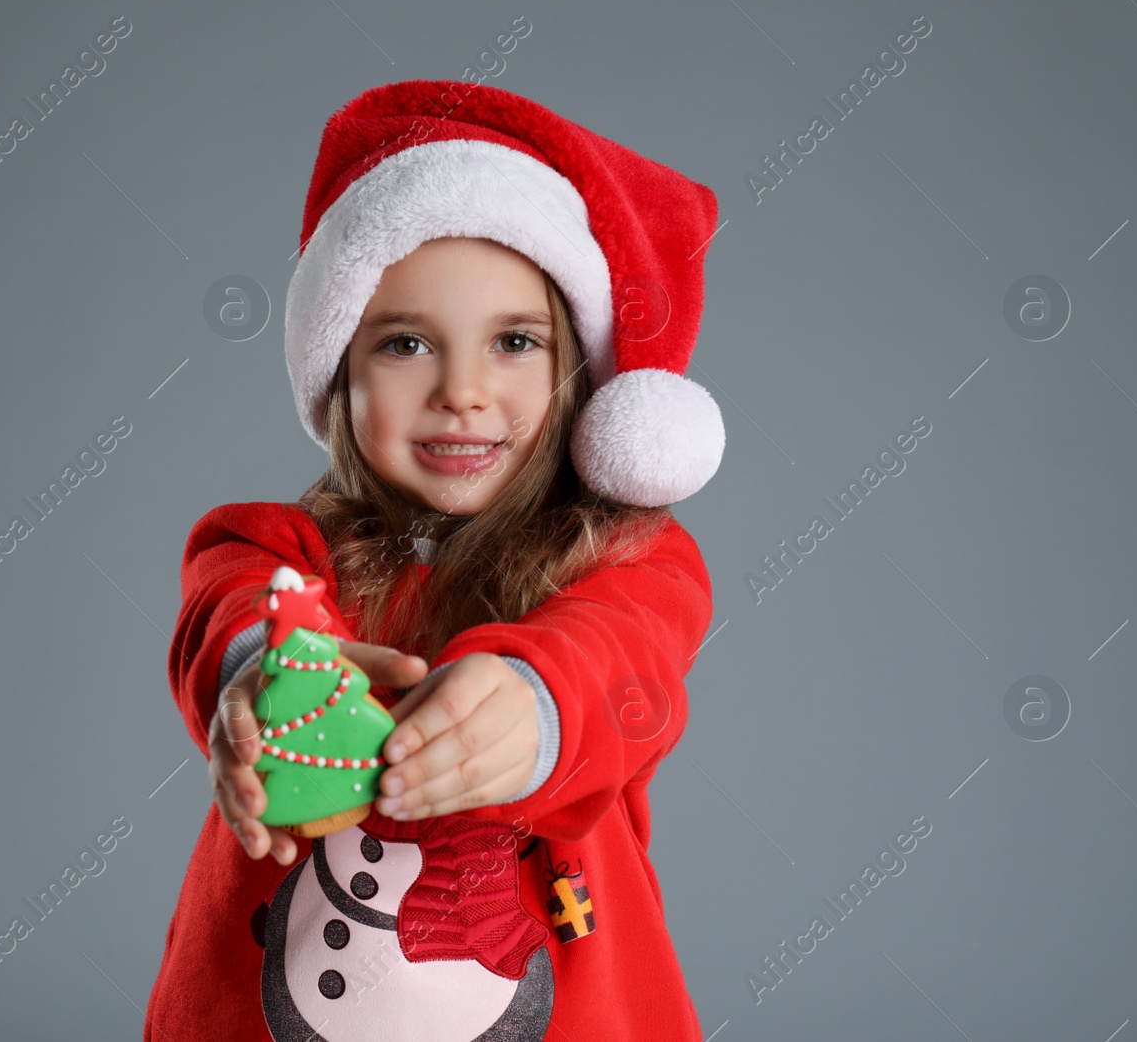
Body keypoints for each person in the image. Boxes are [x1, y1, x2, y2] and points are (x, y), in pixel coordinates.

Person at [143, 78, 726, 1042]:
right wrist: (262, 679)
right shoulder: (279, 550)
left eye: (514, 342)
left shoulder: (631, 560)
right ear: (340, 373)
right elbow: (229, 603)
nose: (462, 391)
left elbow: (623, 655)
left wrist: (533, 699)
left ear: (574, 370)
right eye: (406, 342)